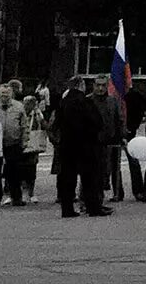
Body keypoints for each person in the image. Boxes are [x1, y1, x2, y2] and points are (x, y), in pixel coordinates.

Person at [53, 75, 111, 218]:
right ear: (81, 86)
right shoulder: (85, 102)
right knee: (90, 179)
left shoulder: (63, 102)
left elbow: (56, 123)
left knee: (68, 178)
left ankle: (67, 209)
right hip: (86, 146)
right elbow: (97, 122)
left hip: (67, 146)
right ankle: (93, 208)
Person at [0, 82, 28, 205]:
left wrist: (24, 141)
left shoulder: (19, 106)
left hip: (14, 143)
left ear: (12, 94)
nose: (5, 95)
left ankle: (16, 198)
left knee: (14, 172)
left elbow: (24, 125)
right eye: (2, 93)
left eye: (7, 93)